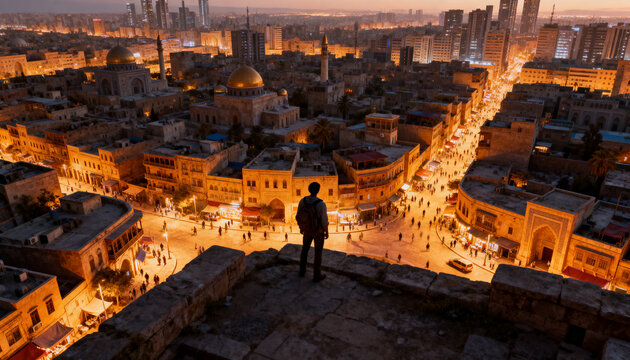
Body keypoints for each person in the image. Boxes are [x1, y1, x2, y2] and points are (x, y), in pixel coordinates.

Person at [296, 182, 329, 282]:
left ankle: (302, 270)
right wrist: (326, 232)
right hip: (318, 232)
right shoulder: (321, 204)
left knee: (304, 250)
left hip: (306, 231)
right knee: (318, 253)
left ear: (309, 189)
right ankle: (316, 275)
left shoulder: (303, 201)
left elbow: (298, 216)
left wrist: (301, 227)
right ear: (318, 191)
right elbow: (324, 221)